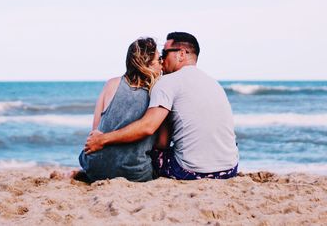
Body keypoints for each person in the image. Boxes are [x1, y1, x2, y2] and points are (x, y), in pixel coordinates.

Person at [85, 32, 239, 180]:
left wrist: (103, 139)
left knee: (159, 151)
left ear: (181, 54)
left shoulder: (167, 82)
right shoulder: (213, 83)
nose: (162, 61)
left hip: (191, 172)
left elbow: (150, 130)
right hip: (229, 169)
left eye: (164, 54)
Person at [78, 37, 163, 182]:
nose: (162, 64)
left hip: (94, 168)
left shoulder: (112, 84)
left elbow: (95, 130)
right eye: (159, 59)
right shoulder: (159, 91)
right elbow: (161, 143)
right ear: (147, 64)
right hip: (134, 174)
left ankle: (80, 173)